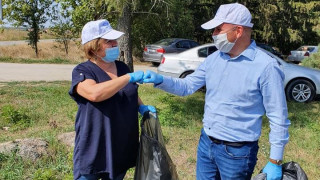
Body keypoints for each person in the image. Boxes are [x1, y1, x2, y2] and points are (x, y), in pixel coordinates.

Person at [143, 3, 290, 180]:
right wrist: (160, 80)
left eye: (218, 29)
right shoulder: (213, 59)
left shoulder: (266, 67)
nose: (213, 34)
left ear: (238, 31)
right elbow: (187, 86)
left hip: (238, 153)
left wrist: (275, 161)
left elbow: (278, 116)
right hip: (206, 143)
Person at [68, 19, 155, 180]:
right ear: (93, 47)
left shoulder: (122, 67)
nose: (115, 44)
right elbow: (94, 94)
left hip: (120, 142)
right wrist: (127, 78)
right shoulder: (83, 70)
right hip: (94, 143)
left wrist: (142, 107)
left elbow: (130, 91)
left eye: (115, 40)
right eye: (109, 41)